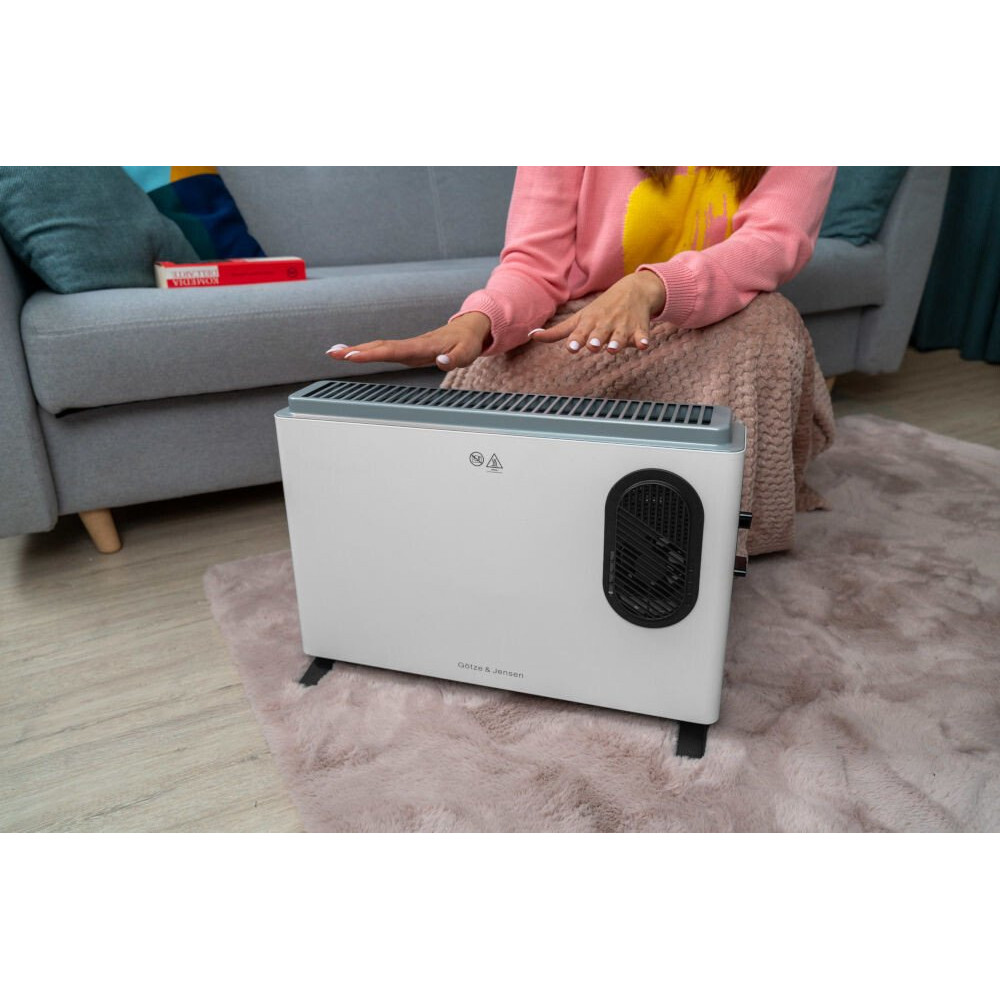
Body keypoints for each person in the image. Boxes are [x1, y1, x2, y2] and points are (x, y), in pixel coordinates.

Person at [327, 166, 838, 556]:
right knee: (485, 400)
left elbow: (772, 244)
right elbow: (534, 267)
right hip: (580, 325)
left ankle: (712, 539)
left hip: (718, 324)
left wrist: (650, 286)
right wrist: (477, 321)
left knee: (770, 321)